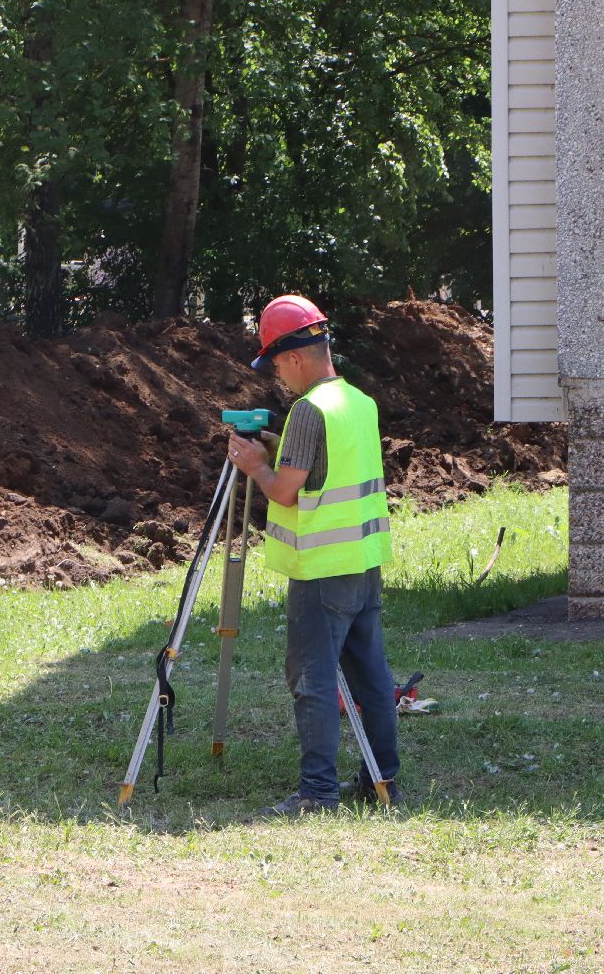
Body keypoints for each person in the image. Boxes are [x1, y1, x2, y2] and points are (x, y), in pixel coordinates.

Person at [225, 294, 400, 816]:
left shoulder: (307, 410)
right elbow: (328, 469)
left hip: (321, 573)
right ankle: (381, 779)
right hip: (363, 564)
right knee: (372, 676)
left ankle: (317, 792)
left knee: (313, 681)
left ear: (296, 356)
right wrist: (278, 448)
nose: (278, 375)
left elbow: (284, 491)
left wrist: (256, 463)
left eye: (276, 363)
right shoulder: (358, 403)